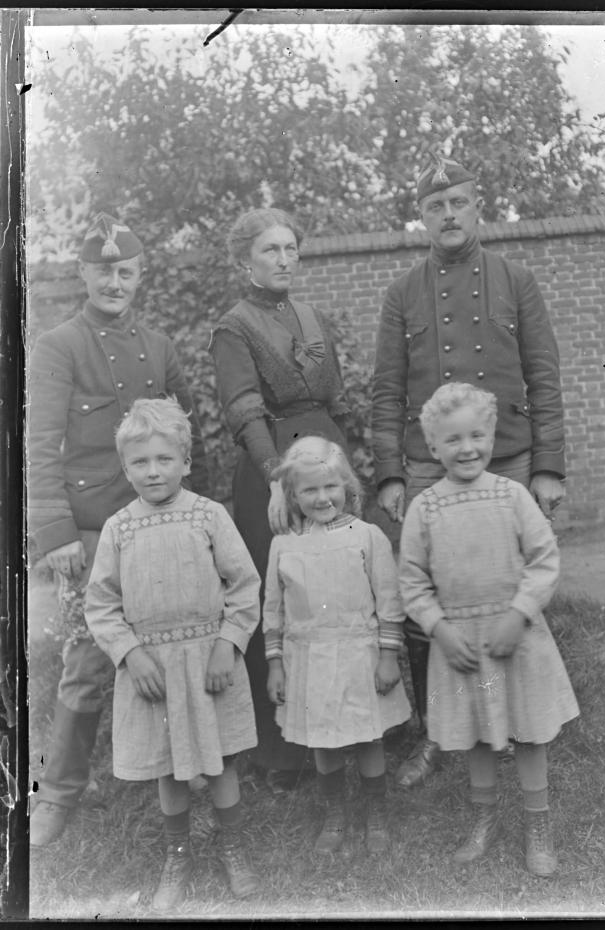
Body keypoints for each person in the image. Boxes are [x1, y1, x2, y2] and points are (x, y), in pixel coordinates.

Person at [372, 153, 566, 787]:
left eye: (457, 202)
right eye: (435, 206)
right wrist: (392, 475)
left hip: (506, 452)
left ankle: (524, 719)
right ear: (422, 217)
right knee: (430, 594)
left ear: (477, 205)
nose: (448, 214)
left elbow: (544, 378)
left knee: (513, 584)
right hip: (430, 462)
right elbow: (386, 391)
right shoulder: (402, 293)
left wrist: (547, 467)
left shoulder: (517, 279)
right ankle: (440, 732)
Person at [28, 213, 211, 847]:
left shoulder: (158, 347)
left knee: (176, 645)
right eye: (102, 271)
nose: (114, 282)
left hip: (159, 528)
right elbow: (39, 444)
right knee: (85, 666)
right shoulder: (58, 346)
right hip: (91, 534)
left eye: (125, 271)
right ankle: (57, 794)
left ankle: (187, 773)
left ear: (140, 276)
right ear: (83, 274)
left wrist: (196, 521)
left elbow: (187, 438)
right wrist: (55, 535)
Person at [84, 398, 261, 910]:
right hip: (153, 671)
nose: (153, 471)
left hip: (208, 664)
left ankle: (233, 846)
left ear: (185, 461)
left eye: (164, 459)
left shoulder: (210, 516)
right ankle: (177, 854)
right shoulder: (119, 529)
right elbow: (101, 604)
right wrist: (131, 655)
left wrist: (229, 645)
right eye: (140, 462)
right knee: (168, 766)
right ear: (125, 467)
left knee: (221, 760)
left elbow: (244, 585)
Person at [398, 383, 578, 876]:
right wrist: (438, 628)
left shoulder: (512, 496)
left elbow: (543, 561)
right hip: (460, 644)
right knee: (476, 732)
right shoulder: (425, 508)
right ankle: (484, 818)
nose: (467, 448)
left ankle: (537, 825)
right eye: (452, 440)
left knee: (530, 730)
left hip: (514, 637)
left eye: (477, 435)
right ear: (433, 447)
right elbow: (411, 580)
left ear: (492, 436)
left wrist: (519, 613)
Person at [209, 207, 350, 793]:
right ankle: (279, 750)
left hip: (326, 459)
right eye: (270, 250)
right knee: (282, 598)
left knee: (340, 589)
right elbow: (242, 408)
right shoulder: (233, 327)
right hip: (273, 465)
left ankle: (349, 724)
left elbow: (335, 398)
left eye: (291, 248)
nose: (284, 259)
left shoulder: (312, 316)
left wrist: (347, 466)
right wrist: (275, 476)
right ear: (246, 260)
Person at [262, 436, 411, 854]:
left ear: (348, 486)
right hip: (308, 658)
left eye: (331, 486)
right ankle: (335, 815)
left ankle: (376, 814)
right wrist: (276, 665)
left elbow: (389, 602)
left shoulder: (367, 537)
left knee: (368, 737)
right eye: (309, 489)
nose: (322, 497)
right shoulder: (283, 546)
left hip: (360, 656)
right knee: (323, 741)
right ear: (293, 494)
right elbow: (273, 611)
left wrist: (387, 658)